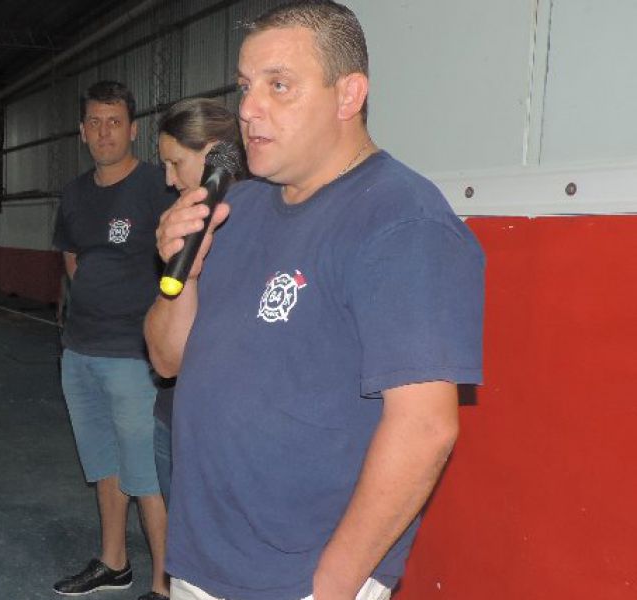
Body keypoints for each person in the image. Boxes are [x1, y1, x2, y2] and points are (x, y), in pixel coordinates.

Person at [144, 3, 486, 600]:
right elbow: (168, 360)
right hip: (204, 559)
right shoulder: (239, 207)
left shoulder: (401, 221)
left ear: (348, 94)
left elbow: (426, 427)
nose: (249, 108)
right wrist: (186, 275)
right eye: (247, 86)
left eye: (279, 86)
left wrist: (335, 582)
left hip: (298, 577)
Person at [51, 80, 177, 600]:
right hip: (79, 351)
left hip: (134, 357)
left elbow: (184, 260)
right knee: (102, 463)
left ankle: (164, 585)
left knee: (145, 475)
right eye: (95, 123)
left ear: (133, 129)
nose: (105, 132)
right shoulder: (75, 195)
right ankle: (114, 563)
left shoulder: (156, 186)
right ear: (83, 132)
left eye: (115, 122)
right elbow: (73, 260)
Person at [152, 98, 245, 503]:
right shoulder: (181, 228)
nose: (170, 181)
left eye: (176, 163)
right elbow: (165, 356)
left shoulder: (257, 224)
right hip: (174, 414)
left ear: (212, 156)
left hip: (225, 430)